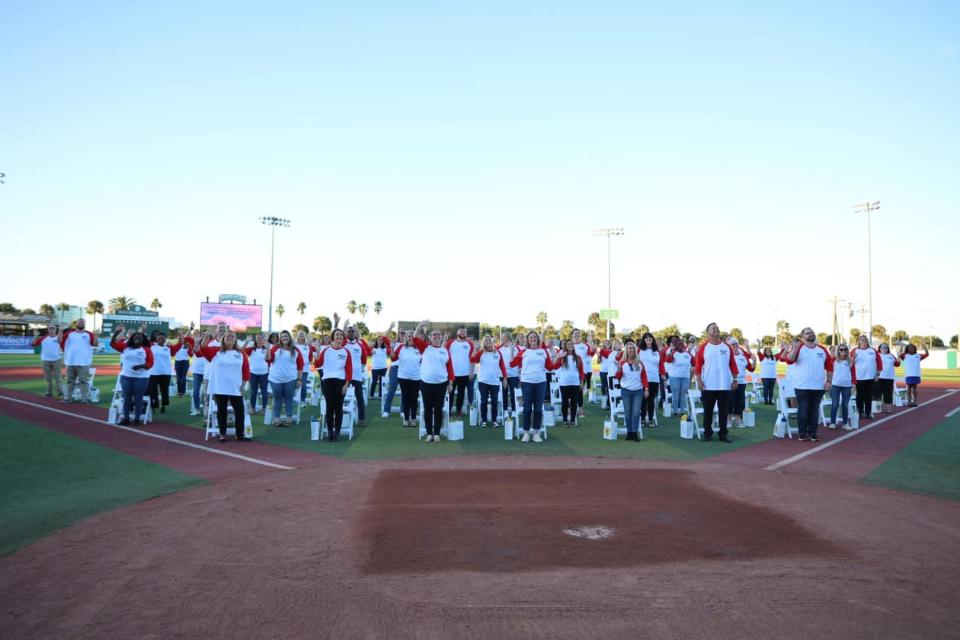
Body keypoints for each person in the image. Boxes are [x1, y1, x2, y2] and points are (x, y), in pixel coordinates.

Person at [195, 331, 250, 442]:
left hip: (236, 387)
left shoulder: (241, 353)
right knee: (221, 411)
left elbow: (246, 370)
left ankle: (239, 434)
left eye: (232, 336)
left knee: (239, 411)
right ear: (223, 339)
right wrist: (206, 336)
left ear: (235, 340)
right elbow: (203, 348)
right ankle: (222, 434)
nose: (230, 338)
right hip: (220, 387)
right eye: (227, 336)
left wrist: (243, 385)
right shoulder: (216, 351)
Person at [782, 327, 833, 442]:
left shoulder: (822, 349)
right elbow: (789, 360)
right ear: (802, 336)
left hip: (818, 386)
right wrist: (794, 348)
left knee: (814, 411)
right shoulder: (799, 348)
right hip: (802, 386)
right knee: (803, 410)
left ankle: (813, 433)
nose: (810, 334)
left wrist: (829, 381)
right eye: (807, 333)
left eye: (812, 332)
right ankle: (802, 434)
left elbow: (829, 367)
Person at [694, 322, 739, 443]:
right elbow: (698, 367)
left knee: (723, 411)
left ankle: (723, 434)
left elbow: (732, 365)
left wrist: (735, 379)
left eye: (717, 328)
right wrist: (699, 381)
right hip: (708, 385)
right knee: (708, 411)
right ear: (707, 332)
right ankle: (707, 433)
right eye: (713, 328)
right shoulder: (703, 347)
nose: (716, 330)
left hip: (724, 385)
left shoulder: (727, 347)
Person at [509, 331, 558, 443]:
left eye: (534, 337)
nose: (533, 339)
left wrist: (557, 356)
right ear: (528, 340)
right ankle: (526, 433)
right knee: (527, 408)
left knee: (538, 408)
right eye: (531, 337)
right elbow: (512, 364)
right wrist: (511, 351)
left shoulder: (543, 351)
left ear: (537, 339)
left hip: (541, 382)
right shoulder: (523, 352)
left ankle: (536, 433)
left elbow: (550, 367)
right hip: (526, 382)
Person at [313, 328, 353, 442]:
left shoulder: (346, 352)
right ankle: (330, 431)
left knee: (338, 407)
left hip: (340, 382)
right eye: (337, 335)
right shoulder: (326, 351)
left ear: (343, 338)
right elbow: (317, 364)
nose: (339, 337)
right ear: (332, 337)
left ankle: (337, 432)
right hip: (327, 381)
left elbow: (349, 369)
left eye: (341, 335)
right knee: (329, 408)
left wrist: (346, 384)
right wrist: (317, 351)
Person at [110, 327, 154, 425]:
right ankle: (126, 418)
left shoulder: (146, 349)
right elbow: (112, 344)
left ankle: (137, 419)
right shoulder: (125, 347)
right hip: (126, 377)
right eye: (135, 336)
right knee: (127, 398)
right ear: (132, 338)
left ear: (143, 340)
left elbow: (151, 363)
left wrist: (140, 366)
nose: (137, 338)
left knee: (138, 398)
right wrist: (115, 334)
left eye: (140, 337)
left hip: (141, 378)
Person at [421, 329, 455, 442]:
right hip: (426, 383)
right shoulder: (425, 348)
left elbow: (450, 367)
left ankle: (437, 433)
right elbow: (415, 338)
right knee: (427, 409)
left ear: (441, 337)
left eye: (438, 334)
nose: (436, 336)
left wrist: (450, 382)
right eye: (434, 334)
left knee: (438, 409)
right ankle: (429, 433)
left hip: (441, 383)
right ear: (430, 337)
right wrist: (420, 325)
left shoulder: (445, 350)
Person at [265, 330, 304, 427]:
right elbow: (268, 359)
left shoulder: (295, 350)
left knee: (288, 399)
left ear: (289, 337)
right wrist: (267, 349)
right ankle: (277, 419)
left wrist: (299, 379)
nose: (284, 338)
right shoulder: (275, 348)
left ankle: (289, 418)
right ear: (280, 339)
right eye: (282, 337)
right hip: (275, 379)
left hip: (290, 379)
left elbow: (300, 366)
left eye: (286, 336)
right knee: (277, 399)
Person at [614, 340, 649, 441]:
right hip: (626, 390)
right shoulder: (622, 362)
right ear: (626, 351)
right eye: (630, 348)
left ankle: (634, 432)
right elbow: (617, 377)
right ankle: (629, 432)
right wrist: (619, 370)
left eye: (633, 348)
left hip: (638, 390)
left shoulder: (640, 363)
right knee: (628, 412)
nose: (632, 350)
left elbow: (644, 376)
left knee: (636, 412)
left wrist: (646, 388)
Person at [470, 335, 508, 427]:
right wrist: (475, 349)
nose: (488, 341)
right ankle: (484, 421)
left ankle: (494, 421)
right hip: (483, 381)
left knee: (495, 401)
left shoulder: (498, 353)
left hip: (495, 381)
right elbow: (473, 360)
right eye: (486, 340)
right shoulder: (481, 352)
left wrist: (505, 378)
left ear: (492, 342)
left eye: (489, 340)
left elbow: (502, 366)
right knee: (484, 401)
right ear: (484, 343)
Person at [60, 318, 99, 403]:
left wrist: (96, 336)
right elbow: (59, 341)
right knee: (70, 381)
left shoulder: (89, 334)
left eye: (82, 322)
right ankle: (67, 398)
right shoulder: (69, 333)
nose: (81, 323)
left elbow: (96, 344)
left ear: (84, 324)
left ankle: (84, 398)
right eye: (79, 322)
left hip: (84, 362)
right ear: (76, 324)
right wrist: (60, 330)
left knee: (84, 381)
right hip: (70, 362)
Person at [393, 328, 425, 427]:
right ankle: (406, 419)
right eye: (408, 336)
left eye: (412, 336)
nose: (410, 338)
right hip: (403, 376)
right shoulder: (401, 347)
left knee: (414, 399)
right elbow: (394, 358)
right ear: (406, 338)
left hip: (416, 377)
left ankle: (413, 419)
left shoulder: (419, 349)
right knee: (406, 398)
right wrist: (391, 351)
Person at [343, 325, 372, 426]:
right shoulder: (343, 344)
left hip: (356, 376)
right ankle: (342, 419)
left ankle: (361, 419)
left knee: (360, 398)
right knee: (342, 396)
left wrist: (360, 370)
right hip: (345, 376)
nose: (351, 333)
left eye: (353, 331)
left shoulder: (360, 345)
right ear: (346, 333)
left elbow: (364, 360)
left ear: (356, 333)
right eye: (349, 331)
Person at [552, 339, 585, 426]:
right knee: (565, 403)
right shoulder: (562, 357)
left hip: (575, 383)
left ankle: (573, 420)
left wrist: (581, 382)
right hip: (564, 384)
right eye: (568, 344)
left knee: (574, 403)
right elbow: (554, 366)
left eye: (571, 344)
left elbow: (581, 371)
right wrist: (558, 357)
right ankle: (565, 420)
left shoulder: (578, 357)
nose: (570, 345)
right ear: (565, 346)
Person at [637, 333, 666, 428]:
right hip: (642, 379)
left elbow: (661, 365)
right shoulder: (639, 350)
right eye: (646, 338)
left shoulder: (657, 352)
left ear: (652, 340)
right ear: (644, 340)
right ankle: (641, 419)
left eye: (650, 338)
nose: (648, 339)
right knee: (643, 400)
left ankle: (650, 420)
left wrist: (663, 377)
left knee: (651, 400)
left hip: (654, 379)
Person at [445, 327, 474, 418]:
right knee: (450, 393)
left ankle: (458, 411)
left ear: (466, 334)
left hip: (464, 374)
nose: (463, 332)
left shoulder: (470, 344)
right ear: (457, 332)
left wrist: (471, 372)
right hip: (451, 374)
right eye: (461, 330)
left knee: (461, 393)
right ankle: (448, 410)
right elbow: (444, 354)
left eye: (464, 331)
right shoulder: (450, 342)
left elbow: (472, 359)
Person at [851, 335, 882, 420]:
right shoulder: (854, 350)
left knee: (868, 396)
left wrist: (877, 375)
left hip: (870, 377)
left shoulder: (873, 350)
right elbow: (849, 363)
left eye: (865, 340)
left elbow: (879, 363)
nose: (864, 341)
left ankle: (868, 413)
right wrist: (853, 359)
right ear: (859, 342)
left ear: (868, 342)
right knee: (859, 396)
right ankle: (860, 412)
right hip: (859, 377)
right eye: (862, 340)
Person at [728, 338, 755, 427]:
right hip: (730, 382)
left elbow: (751, 369)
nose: (735, 346)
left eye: (736, 344)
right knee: (730, 401)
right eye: (732, 344)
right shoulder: (727, 356)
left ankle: (738, 420)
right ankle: (728, 420)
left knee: (740, 402)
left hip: (742, 382)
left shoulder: (743, 357)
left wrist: (754, 361)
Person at [32, 324, 63, 398]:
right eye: (50, 328)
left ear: (56, 329)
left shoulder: (58, 337)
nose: (51, 330)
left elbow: (60, 341)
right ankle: (49, 392)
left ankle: (60, 392)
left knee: (58, 378)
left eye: (53, 328)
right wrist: (35, 336)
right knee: (48, 378)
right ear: (48, 330)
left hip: (57, 360)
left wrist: (61, 330)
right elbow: (33, 344)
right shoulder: (43, 338)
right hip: (45, 360)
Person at [665, 336, 693, 415]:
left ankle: (682, 411)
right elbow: (668, 360)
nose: (680, 346)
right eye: (678, 344)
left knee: (683, 394)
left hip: (685, 377)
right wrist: (671, 351)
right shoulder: (673, 352)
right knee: (675, 394)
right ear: (676, 345)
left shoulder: (687, 354)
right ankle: (675, 411)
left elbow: (694, 362)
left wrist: (690, 352)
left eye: (681, 344)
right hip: (674, 377)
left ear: (684, 345)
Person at [571, 329, 596, 418]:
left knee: (580, 391)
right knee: (571, 391)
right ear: (572, 336)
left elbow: (592, 352)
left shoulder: (584, 346)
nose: (577, 335)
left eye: (578, 334)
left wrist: (590, 341)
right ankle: (571, 410)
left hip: (582, 373)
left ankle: (581, 409)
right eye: (575, 334)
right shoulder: (569, 345)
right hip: (570, 373)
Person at [146, 333, 173, 414]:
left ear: (165, 339)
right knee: (152, 390)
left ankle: (163, 406)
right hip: (153, 372)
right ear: (156, 340)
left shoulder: (168, 348)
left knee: (164, 390)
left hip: (165, 372)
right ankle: (154, 405)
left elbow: (180, 346)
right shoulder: (152, 346)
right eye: (158, 338)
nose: (160, 339)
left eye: (162, 338)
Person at [243, 333, 270, 415]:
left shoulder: (266, 349)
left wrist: (268, 349)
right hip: (253, 373)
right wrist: (247, 341)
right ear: (255, 340)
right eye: (257, 338)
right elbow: (241, 351)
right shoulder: (251, 349)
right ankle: (253, 409)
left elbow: (269, 359)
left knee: (264, 392)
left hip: (264, 374)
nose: (259, 340)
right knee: (253, 392)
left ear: (264, 340)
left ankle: (264, 409)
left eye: (261, 338)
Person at [830, 343, 854, 429]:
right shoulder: (833, 360)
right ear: (838, 351)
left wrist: (854, 385)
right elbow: (829, 371)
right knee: (835, 404)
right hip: (835, 384)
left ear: (847, 351)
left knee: (845, 405)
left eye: (845, 349)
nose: (843, 351)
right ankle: (832, 423)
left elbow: (853, 373)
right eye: (841, 349)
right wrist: (828, 382)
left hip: (847, 385)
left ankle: (845, 423)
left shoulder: (850, 361)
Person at [498, 334, 521, 416]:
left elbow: (519, 362)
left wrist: (520, 374)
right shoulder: (499, 349)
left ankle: (514, 411)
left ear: (509, 339)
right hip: (502, 375)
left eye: (504, 339)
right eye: (502, 339)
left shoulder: (516, 348)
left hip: (514, 375)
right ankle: (505, 411)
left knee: (513, 394)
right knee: (503, 394)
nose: (503, 340)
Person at [875, 343, 900, 414]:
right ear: (879, 348)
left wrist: (898, 355)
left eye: (886, 347)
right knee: (877, 394)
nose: (884, 349)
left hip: (889, 378)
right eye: (882, 347)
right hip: (879, 378)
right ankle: (878, 409)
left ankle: (888, 409)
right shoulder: (877, 355)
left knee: (888, 394)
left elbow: (897, 364)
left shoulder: (891, 356)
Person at [294, 331, 316, 406]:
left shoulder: (308, 346)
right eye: (300, 335)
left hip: (305, 369)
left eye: (302, 335)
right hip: (295, 369)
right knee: (294, 384)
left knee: (303, 385)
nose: (301, 336)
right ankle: (293, 399)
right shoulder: (294, 345)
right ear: (297, 336)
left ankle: (302, 400)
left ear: (305, 337)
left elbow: (311, 357)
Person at [170, 332, 194, 397]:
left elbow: (191, 354)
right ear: (179, 337)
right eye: (181, 336)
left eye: (183, 337)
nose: (182, 338)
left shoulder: (187, 345)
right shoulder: (176, 345)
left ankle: (182, 392)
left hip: (185, 362)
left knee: (183, 377)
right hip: (177, 362)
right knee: (178, 377)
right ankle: (179, 391)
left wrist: (190, 347)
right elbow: (172, 352)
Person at [369, 332, 393, 400]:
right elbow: (368, 352)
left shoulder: (385, 349)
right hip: (375, 368)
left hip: (383, 367)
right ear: (376, 341)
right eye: (378, 339)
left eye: (381, 339)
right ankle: (371, 395)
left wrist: (388, 346)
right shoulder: (373, 348)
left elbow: (391, 352)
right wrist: (371, 349)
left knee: (382, 382)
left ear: (383, 341)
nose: (380, 340)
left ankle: (380, 395)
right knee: (374, 381)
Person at [189, 330, 207, 416]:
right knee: (195, 393)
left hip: (207, 372)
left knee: (206, 393)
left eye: (205, 335)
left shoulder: (209, 345)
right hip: (196, 372)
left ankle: (206, 410)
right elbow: (194, 352)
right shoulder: (195, 344)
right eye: (202, 334)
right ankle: (197, 409)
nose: (203, 336)